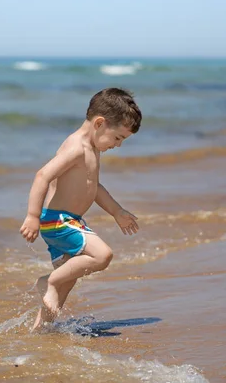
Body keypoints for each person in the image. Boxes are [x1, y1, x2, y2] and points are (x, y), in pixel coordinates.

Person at [19, 87, 142, 332]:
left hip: (71, 220)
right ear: (99, 123)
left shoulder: (93, 148)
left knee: (68, 281)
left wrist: (117, 211)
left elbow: (94, 187)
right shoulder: (76, 148)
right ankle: (48, 282)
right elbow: (43, 176)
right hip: (59, 221)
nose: (118, 145)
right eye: (118, 138)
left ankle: (40, 330)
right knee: (102, 256)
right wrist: (32, 216)